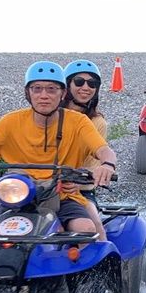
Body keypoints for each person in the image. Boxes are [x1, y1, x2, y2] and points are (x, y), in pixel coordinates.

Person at [0, 60, 117, 237]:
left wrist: (107, 165)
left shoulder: (79, 122)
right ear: (28, 93)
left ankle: (100, 264)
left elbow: (103, 150)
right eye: (37, 88)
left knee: (87, 229)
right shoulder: (10, 122)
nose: (44, 95)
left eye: (52, 89)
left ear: (63, 93)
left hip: (63, 196)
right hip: (18, 194)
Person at [60, 58, 108, 240]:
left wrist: (77, 182)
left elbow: (94, 164)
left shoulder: (97, 123)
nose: (85, 87)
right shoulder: (49, 117)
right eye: (79, 82)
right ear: (67, 86)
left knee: (95, 228)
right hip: (42, 187)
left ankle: (105, 265)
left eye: (92, 83)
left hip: (78, 190)